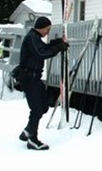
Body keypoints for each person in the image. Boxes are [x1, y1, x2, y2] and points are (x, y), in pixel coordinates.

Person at [15, 16, 68, 150]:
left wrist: (56, 44)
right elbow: (41, 53)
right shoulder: (32, 38)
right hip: (28, 78)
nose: (48, 32)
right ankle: (32, 138)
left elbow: (44, 47)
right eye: (47, 29)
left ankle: (28, 130)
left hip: (35, 78)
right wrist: (58, 48)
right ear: (41, 27)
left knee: (43, 106)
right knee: (37, 108)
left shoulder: (36, 38)